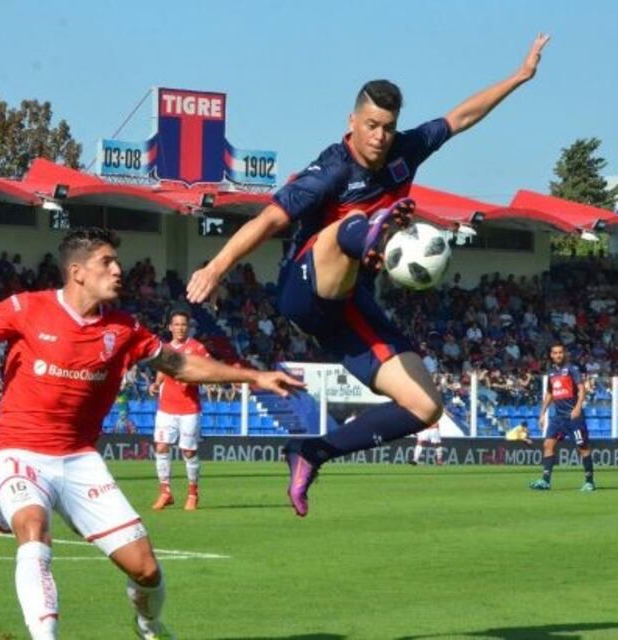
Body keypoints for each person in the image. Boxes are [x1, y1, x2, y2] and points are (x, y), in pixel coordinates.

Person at [187, 34, 550, 517]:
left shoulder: (405, 150)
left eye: (388, 127)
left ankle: (312, 452)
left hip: (349, 306)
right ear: (352, 122)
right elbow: (270, 219)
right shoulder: (331, 170)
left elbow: (460, 118)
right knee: (350, 224)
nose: (380, 136)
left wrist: (519, 77)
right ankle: (380, 235)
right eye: (372, 125)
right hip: (303, 286)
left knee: (427, 406)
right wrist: (216, 266)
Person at [0, 228, 301, 640]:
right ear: (77, 272)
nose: (118, 269)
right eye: (106, 262)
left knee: (146, 569)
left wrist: (254, 376)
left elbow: (181, 366)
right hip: (18, 450)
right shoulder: (25, 307)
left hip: (79, 459)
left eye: (116, 261)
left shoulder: (124, 329)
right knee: (33, 528)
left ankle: (148, 625)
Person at [148, 310, 210, 511]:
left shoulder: (197, 348)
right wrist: (155, 384)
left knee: (188, 451)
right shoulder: (165, 349)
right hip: (166, 407)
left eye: (183, 324)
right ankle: (165, 492)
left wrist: (193, 379)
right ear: (170, 327)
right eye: (176, 324)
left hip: (189, 409)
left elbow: (208, 371)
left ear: (188, 326)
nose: (180, 328)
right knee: (161, 447)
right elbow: (161, 370)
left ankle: (193, 493)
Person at [530, 343, 595, 492]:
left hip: (573, 417)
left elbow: (581, 389)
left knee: (582, 448)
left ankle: (589, 481)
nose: (558, 355)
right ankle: (545, 481)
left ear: (564, 354)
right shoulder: (551, 372)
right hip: (558, 417)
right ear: (551, 355)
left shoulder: (572, 369)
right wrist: (542, 413)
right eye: (555, 353)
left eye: (560, 352)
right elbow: (550, 394)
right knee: (547, 445)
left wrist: (578, 407)